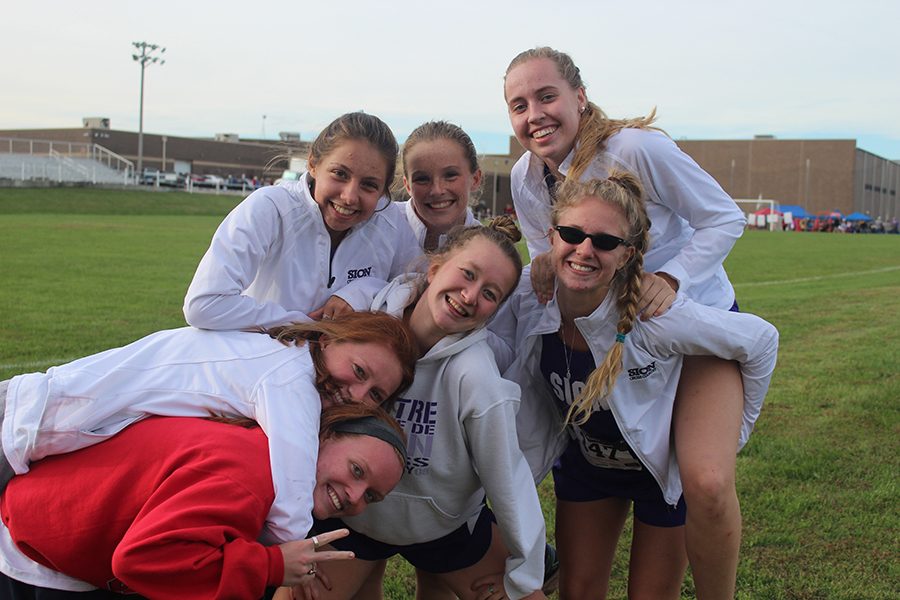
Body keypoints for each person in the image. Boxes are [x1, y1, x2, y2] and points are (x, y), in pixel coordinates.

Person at [503, 46, 752, 597]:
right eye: (519, 105)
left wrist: (675, 279)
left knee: (705, 482)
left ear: (580, 97)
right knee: (611, 464)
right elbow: (553, 254)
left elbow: (724, 217)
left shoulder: (635, 148)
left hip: (693, 327)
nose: (534, 114)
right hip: (616, 339)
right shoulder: (527, 175)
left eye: (547, 97)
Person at [493, 173, 778, 599]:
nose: (585, 250)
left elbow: (760, 340)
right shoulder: (529, 302)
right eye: (572, 234)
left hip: (658, 479)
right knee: (578, 592)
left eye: (605, 242)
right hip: (587, 470)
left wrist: (731, 434)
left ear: (628, 254)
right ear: (551, 237)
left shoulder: (656, 317)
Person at [0, 311, 417, 546]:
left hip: (41, 414)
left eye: (375, 395)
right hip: (32, 420)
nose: (356, 392)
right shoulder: (291, 380)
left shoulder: (275, 351)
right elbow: (291, 490)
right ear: (328, 340)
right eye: (359, 370)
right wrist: (293, 556)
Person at [294, 218, 547, 600]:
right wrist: (298, 535)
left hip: (444, 525)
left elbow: (508, 478)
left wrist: (524, 577)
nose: (469, 295)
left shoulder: (477, 377)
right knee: (294, 595)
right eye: (467, 274)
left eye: (490, 293)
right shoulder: (369, 323)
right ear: (434, 268)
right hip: (354, 519)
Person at [0, 403, 408, 599]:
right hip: (36, 553)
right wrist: (271, 565)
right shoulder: (252, 477)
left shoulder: (267, 447)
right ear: (325, 436)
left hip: (56, 532)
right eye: (357, 470)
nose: (354, 496)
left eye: (371, 496)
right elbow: (141, 559)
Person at [183, 112, 420, 330]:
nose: (349, 197)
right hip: (260, 364)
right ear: (313, 164)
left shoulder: (391, 222)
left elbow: (419, 282)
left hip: (342, 371)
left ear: (383, 190)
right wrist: (303, 325)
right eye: (340, 174)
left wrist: (361, 293)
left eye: (369, 184)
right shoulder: (271, 208)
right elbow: (204, 303)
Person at [397, 120, 483, 252]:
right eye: (422, 179)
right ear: (407, 186)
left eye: (450, 175)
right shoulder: (379, 228)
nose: (437, 190)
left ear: (475, 179)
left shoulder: (487, 248)